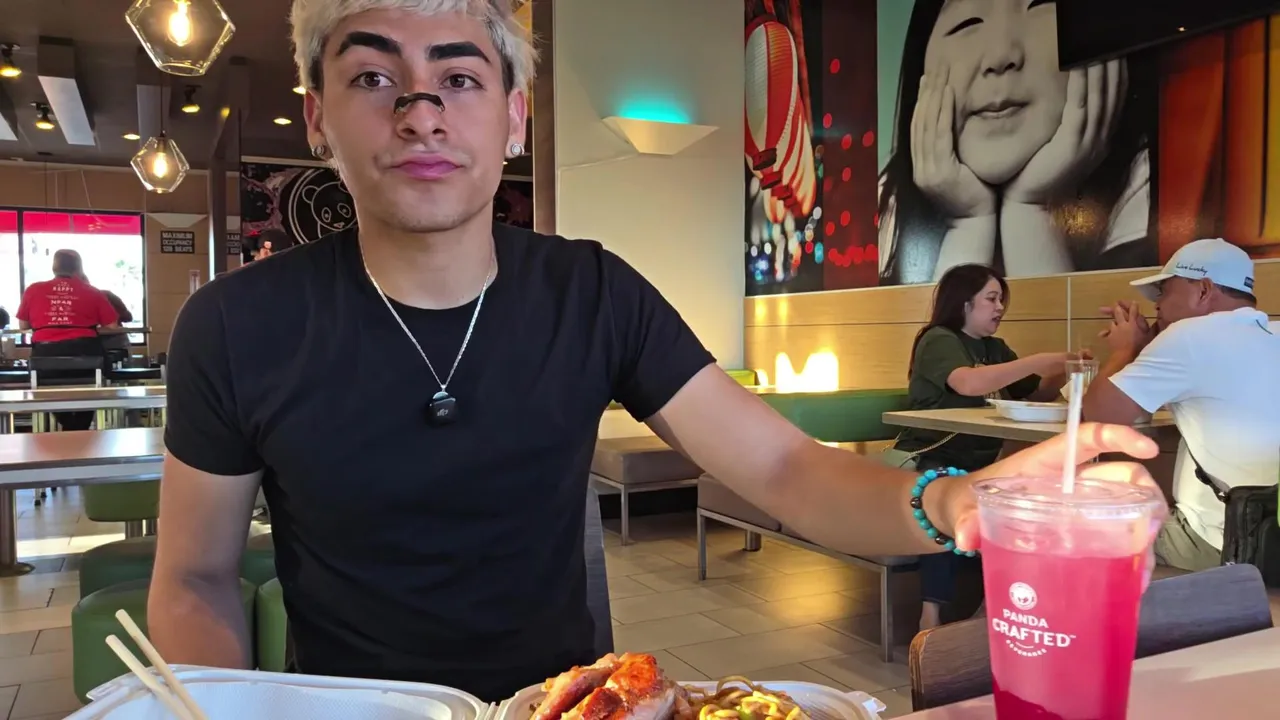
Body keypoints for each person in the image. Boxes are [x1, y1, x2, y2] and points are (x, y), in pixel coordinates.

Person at [148, 0, 1163, 702]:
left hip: (575, 704)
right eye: (374, 77)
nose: (421, 112)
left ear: (513, 118)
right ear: (319, 118)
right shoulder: (236, 326)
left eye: (457, 78)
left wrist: (953, 502)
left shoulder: (592, 293)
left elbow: (783, 468)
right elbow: (194, 579)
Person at [877, 0, 1157, 284]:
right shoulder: (889, 198)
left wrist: (1030, 211)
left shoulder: (1156, 179)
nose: (1000, 57)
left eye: (1038, 6)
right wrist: (968, 225)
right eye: (966, 23)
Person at [891, 263, 1078, 628]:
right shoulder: (939, 339)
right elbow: (967, 383)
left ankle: (1000, 609)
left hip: (983, 463)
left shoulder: (995, 348)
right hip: (932, 455)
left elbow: (1034, 395)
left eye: (1000, 300)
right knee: (945, 503)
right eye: (991, 299)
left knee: (1025, 505)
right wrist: (1037, 360)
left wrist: (1062, 369)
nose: (999, 308)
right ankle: (930, 617)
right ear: (964, 303)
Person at [1083, 237, 1280, 572]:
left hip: (1223, 543)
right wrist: (1149, 347)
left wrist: (1126, 349)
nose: (1157, 306)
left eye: (1164, 291)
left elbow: (1100, 415)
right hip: (1272, 538)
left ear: (1203, 290)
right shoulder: (1272, 333)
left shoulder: (1189, 336)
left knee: (1081, 519)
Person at [16, 249, 120, 429]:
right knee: (91, 386)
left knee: (47, 389)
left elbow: (23, 325)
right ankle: (79, 428)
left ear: (54, 267)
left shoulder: (34, 290)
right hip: (85, 355)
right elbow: (112, 326)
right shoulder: (92, 291)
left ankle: (69, 426)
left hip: (45, 357)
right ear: (78, 269)